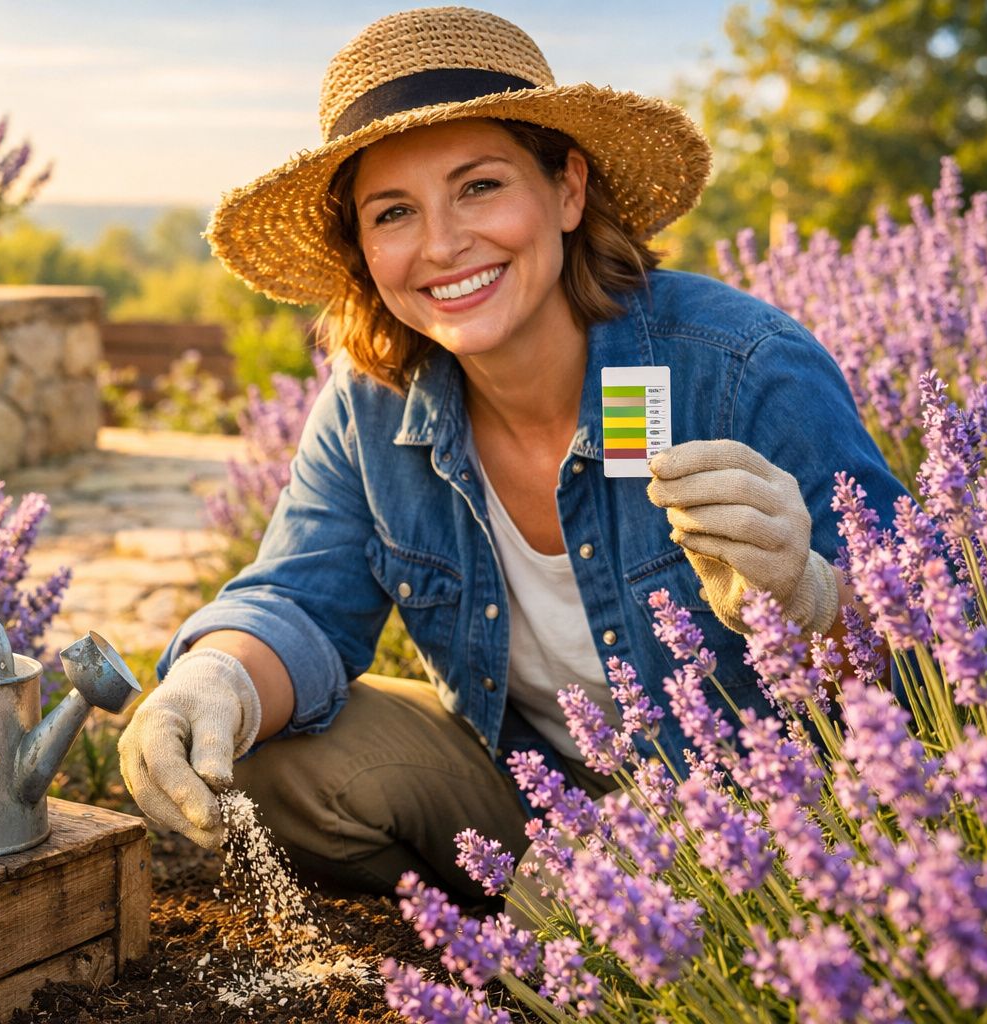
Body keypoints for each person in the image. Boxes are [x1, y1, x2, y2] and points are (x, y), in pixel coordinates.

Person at [117, 5, 909, 901]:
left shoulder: (739, 367)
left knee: (576, 912)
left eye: (481, 186)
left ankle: (595, 911)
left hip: (757, 795)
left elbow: (928, 659)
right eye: (393, 212)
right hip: (532, 785)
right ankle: (531, 899)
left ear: (567, 190)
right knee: (265, 764)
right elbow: (300, 596)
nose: (444, 244)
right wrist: (214, 679)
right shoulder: (372, 407)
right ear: (364, 253)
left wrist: (804, 598)